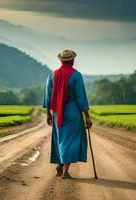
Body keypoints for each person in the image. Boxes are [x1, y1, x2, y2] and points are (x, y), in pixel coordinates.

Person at [43, 49, 92, 179]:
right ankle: (65, 171)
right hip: (73, 112)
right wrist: (87, 116)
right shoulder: (76, 75)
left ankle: (60, 163)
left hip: (57, 113)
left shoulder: (52, 76)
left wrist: (48, 114)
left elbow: (48, 97)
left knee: (60, 139)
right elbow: (81, 97)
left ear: (61, 60)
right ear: (73, 60)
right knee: (70, 141)